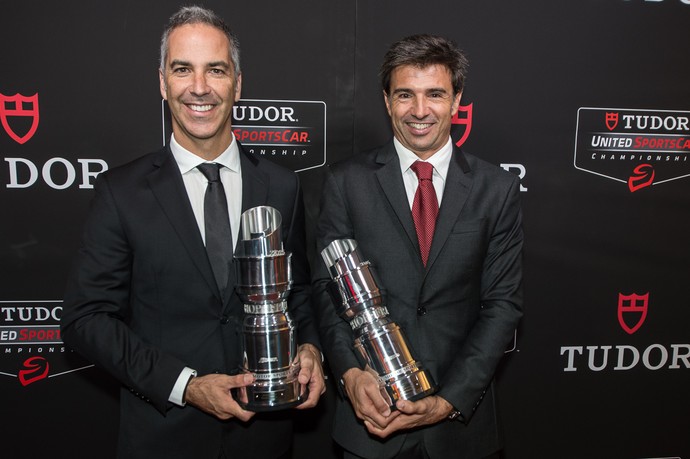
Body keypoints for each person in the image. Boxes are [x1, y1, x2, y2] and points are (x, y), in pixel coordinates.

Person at [61, 6, 325, 459]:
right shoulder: (121, 192)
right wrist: (186, 386)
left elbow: (297, 291)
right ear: (163, 83)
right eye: (183, 69)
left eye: (215, 70)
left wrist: (311, 349)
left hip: (263, 438)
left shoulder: (282, 184)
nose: (199, 87)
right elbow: (86, 320)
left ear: (237, 84)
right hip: (164, 437)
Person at [313, 34, 523, 459]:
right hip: (368, 427)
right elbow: (325, 291)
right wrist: (352, 375)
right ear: (387, 100)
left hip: (461, 430)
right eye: (405, 95)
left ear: (457, 99)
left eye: (435, 94)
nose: (420, 111)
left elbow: (502, 305)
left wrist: (446, 402)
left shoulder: (496, 189)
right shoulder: (346, 182)